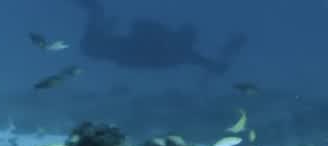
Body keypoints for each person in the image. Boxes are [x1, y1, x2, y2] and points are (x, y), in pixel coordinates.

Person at [70, 0, 246, 74]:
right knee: (96, 12)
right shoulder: (180, 51)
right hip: (107, 49)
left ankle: (101, 21)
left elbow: (138, 27)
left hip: (104, 48)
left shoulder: (177, 48)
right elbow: (208, 64)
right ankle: (101, 22)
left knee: (96, 11)